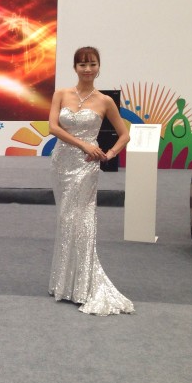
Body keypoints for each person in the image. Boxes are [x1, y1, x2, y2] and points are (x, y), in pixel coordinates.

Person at [47, 46, 134, 315]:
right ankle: (64, 283)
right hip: (62, 162)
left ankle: (83, 285)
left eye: (92, 64)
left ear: (98, 67)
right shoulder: (61, 94)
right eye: (82, 64)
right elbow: (53, 127)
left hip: (87, 167)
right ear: (75, 67)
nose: (87, 69)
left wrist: (109, 154)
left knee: (82, 220)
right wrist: (83, 144)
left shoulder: (105, 101)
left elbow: (124, 135)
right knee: (65, 218)